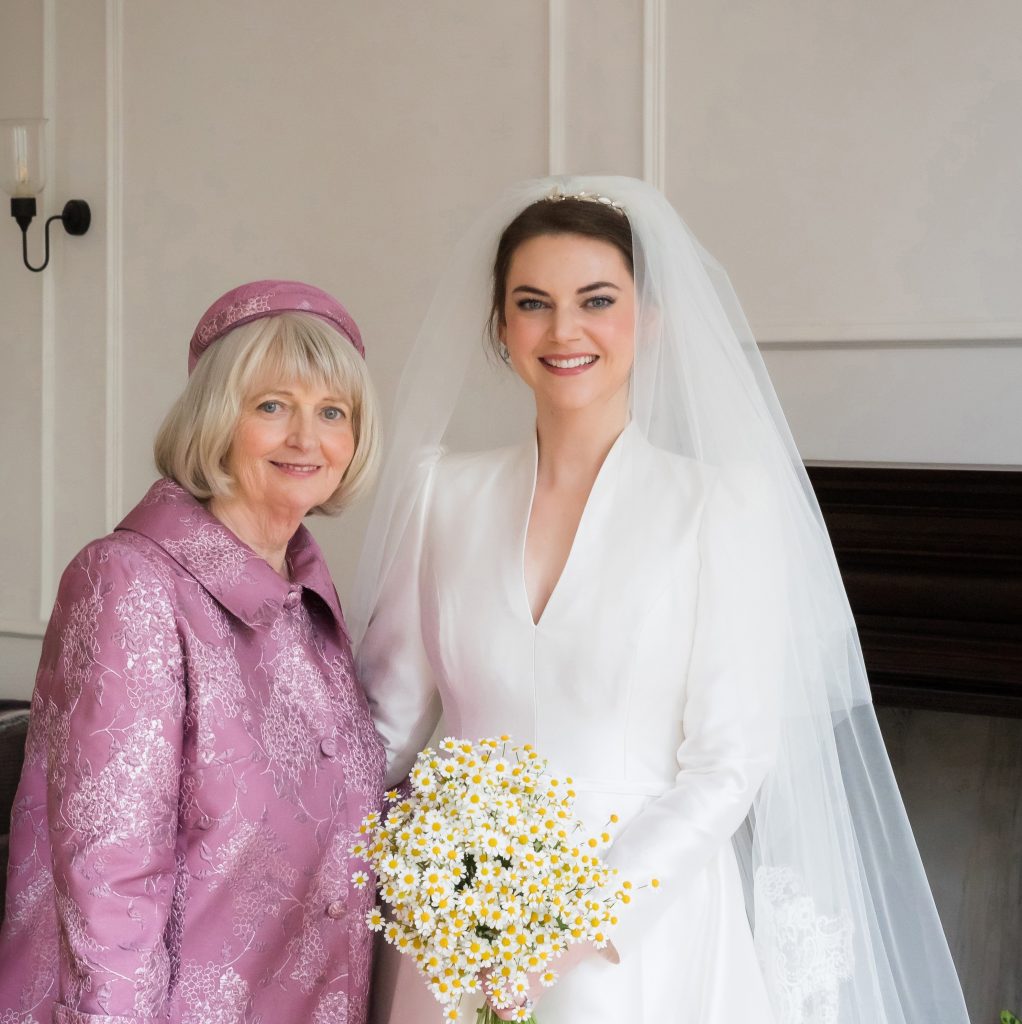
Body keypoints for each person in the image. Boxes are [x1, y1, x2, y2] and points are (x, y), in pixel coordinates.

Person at [353, 178, 970, 1023]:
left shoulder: (722, 509)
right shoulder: (439, 497)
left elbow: (727, 763)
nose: (564, 330)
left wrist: (571, 924)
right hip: (451, 930)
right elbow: (381, 734)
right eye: (532, 303)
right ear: (501, 327)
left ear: (652, 320)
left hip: (634, 936)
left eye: (596, 300)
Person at [0, 281, 385, 1024]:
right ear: (216, 418)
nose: (307, 438)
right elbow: (109, 877)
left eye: (332, 412)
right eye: (272, 406)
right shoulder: (130, 582)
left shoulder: (310, 604)